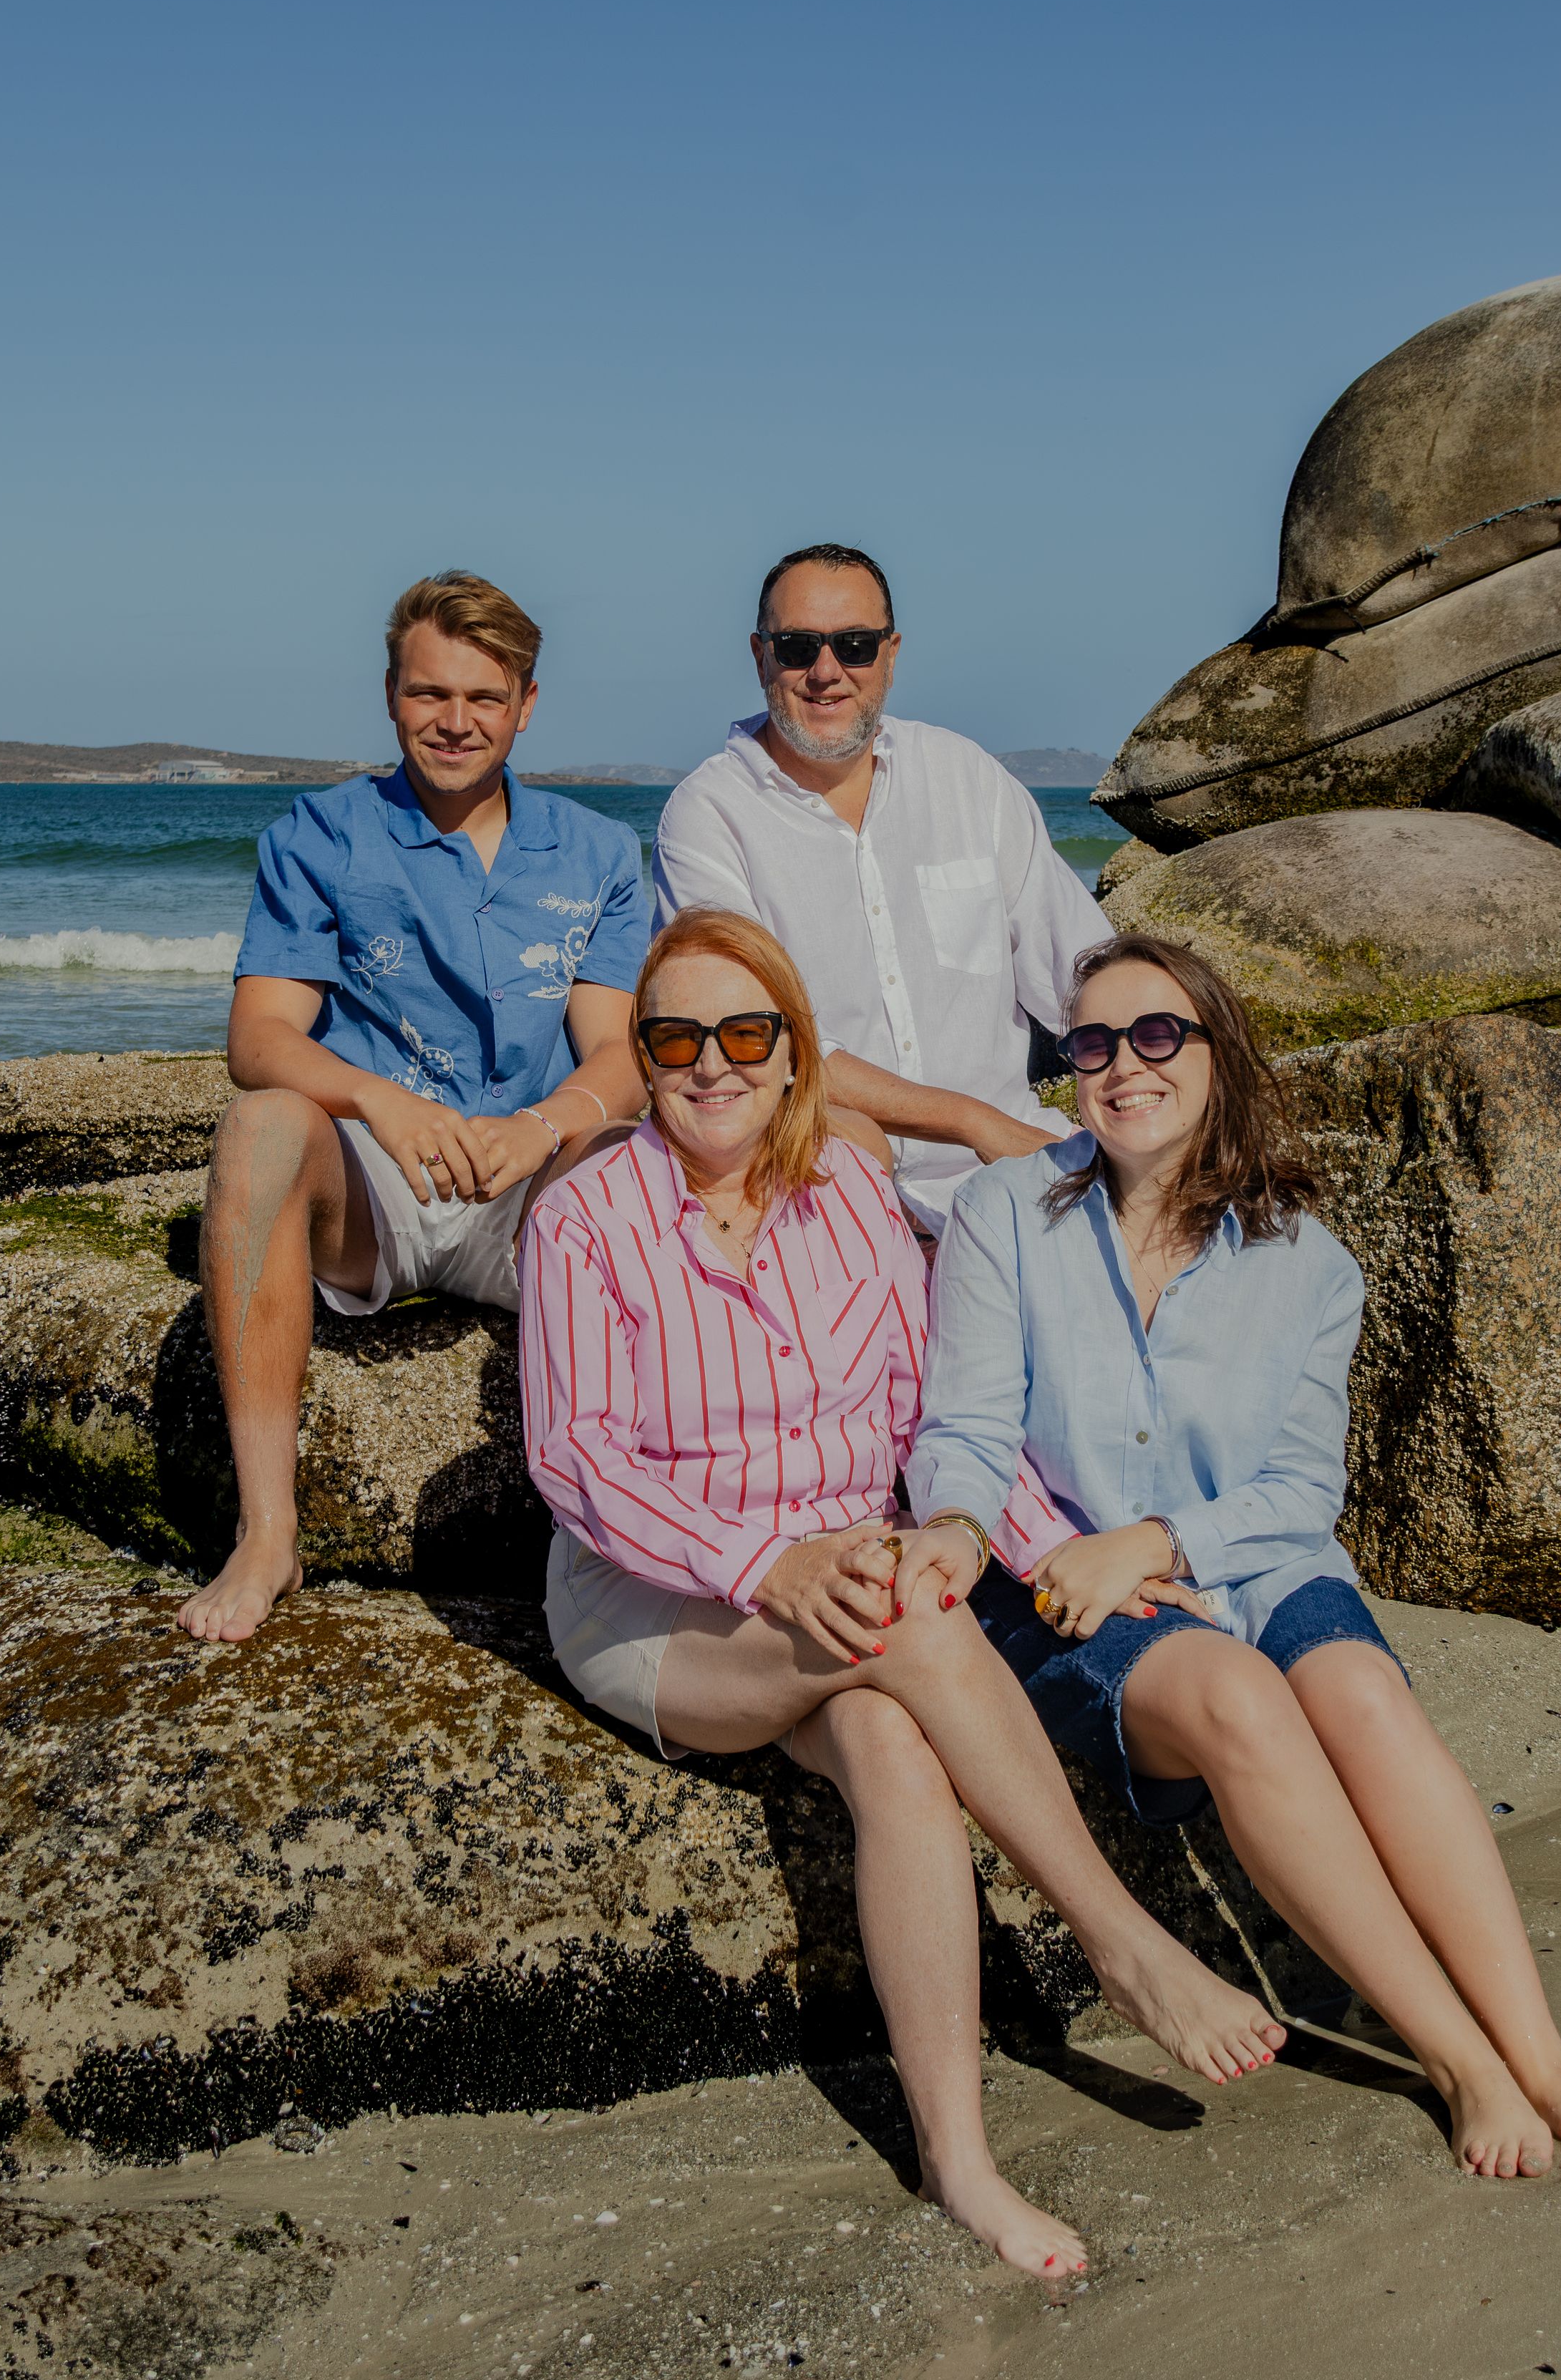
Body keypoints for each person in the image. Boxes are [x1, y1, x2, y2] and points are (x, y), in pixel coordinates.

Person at [520, 905, 1288, 2283]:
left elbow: (927, 1416)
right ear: (638, 1056)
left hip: (839, 1591)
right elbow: (577, 1462)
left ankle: (959, 2163)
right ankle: (1121, 1939)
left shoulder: (850, 1198)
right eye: (675, 1037)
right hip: (659, 1607)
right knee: (910, 1622)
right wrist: (768, 1566)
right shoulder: (585, 1216)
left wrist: (1059, 1554)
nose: (711, 1064)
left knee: (893, 1749)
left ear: (793, 1049)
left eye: (744, 1032)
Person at [903, 929, 1561, 2179]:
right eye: (1091, 1043)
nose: (1122, 1064)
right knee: (1241, 1698)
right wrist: (990, 1541)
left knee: (1362, 1696)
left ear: (1217, 1054)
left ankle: (1546, 2058)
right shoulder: (1004, 1211)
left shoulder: (1306, 1260)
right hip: (1064, 1587)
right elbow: (965, 1429)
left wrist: (1166, 1537)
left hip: (1248, 1557)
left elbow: (1300, 1488)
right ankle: (1458, 2058)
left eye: (1156, 1035)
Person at [178, 570, 649, 1645]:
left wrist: (542, 1126)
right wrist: (379, 1103)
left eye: (486, 698)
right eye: (430, 693)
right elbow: (258, 1043)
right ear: (392, 693)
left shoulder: (598, 853)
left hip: (526, 1193)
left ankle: (628, 1531)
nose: (456, 721)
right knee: (258, 1127)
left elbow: (619, 1054)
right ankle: (267, 1531)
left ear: (527, 705)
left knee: (634, 1154)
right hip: (374, 1186)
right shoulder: (320, 833)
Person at [651, 543, 1106, 1233]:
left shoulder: (966, 779)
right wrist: (971, 1121)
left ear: (890, 655)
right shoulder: (710, 814)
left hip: (1010, 1170)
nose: (827, 672)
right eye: (799, 646)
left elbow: (1084, 978)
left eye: (855, 645)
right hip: (819, 1186)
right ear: (760, 655)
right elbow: (759, 1046)